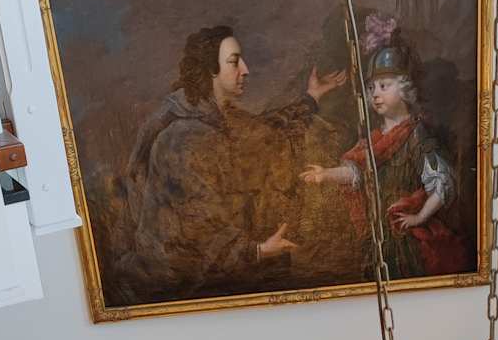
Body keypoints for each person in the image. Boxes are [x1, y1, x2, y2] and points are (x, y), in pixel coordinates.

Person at [113, 25, 347, 303]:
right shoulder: (183, 139)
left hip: (207, 273)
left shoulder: (215, 117)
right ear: (210, 70)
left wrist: (312, 97)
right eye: (234, 62)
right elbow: (200, 228)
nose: (245, 70)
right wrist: (257, 251)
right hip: (176, 285)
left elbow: (266, 130)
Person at [298, 22, 467, 279]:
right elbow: (357, 171)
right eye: (371, 88)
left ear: (405, 88)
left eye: (384, 86)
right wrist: (326, 174)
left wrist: (419, 217)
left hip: (407, 240)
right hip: (378, 238)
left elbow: (442, 183)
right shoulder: (376, 139)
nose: (375, 94)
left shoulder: (416, 136)